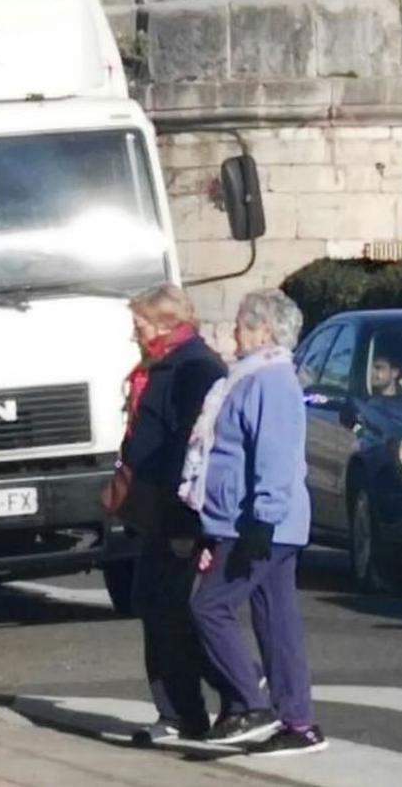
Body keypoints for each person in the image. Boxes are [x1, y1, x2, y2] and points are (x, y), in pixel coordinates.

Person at [180, 289, 327, 756]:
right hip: (248, 521)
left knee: (209, 608)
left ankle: (249, 702)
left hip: (259, 524)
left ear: (265, 330)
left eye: (242, 325)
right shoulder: (248, 378)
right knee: (276, 623)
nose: (233, 333)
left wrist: (262, 519)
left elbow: (277, 456)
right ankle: (298, 722)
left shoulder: (271, 381)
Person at [114, 285, 227, 745]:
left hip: (177, 509)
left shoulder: (195, 367)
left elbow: (193, 443)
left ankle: (231, 689)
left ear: (164, 322)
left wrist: (186, 514)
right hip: (156, 507)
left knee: (173, 609)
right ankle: (180, 711)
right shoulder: (163, 363)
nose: (133, 333)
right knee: (152, 603)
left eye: (138, 323)